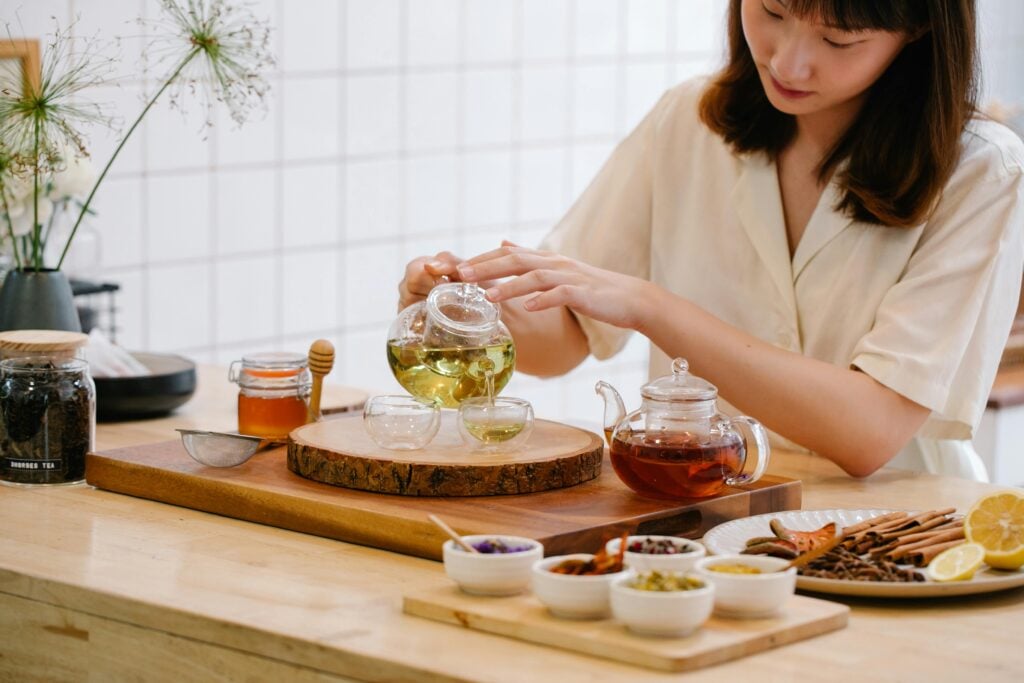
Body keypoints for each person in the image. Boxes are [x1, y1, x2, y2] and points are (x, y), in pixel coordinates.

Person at [398, 0, 1023, 478]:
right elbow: (562, 340)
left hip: (894, 537)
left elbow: (869, 431)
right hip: (697, 510)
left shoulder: (981, 172)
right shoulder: (689, 120)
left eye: (839, 39)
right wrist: (469, 314)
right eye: (772, 11)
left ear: (916, 31)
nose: (788, 61)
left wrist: (652, 307)